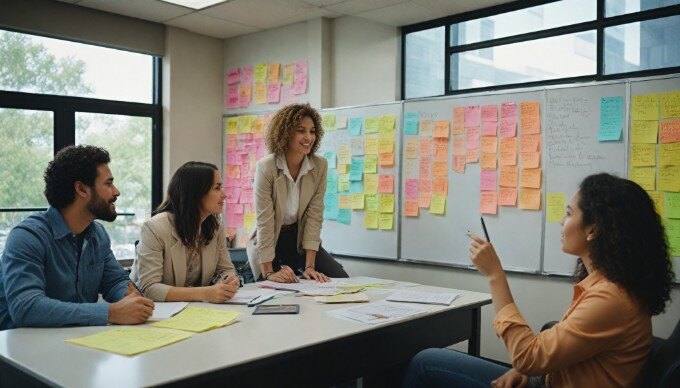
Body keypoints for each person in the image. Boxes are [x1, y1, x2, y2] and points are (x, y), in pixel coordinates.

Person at [403, 173, 674, 387]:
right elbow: (545, 356)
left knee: (427, 362)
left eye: (568, 213)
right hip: (547, 380)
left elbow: (529, 356)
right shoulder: (610, 287)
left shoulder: (610, 299)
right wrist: (526, 372)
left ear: (592, 229)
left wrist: (495, 276)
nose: (560, 221)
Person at [0, 145, 155, 330]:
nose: (116, 192)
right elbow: (26, 308)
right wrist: (111, 312)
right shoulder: (27, 237)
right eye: (108, 183)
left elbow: (114, 281)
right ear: (81, 189)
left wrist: (129, 298)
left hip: (77, 343)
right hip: (21, 350)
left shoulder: (98, 234)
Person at [247, 103, 348, 283]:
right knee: (274, 289)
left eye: (312, 131)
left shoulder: (319, 166)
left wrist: (310, 267)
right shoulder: (266, 167)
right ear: (286, 133)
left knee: (340, 278)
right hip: (271, 239)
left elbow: (314, 217)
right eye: (301, 131)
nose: (308, 137)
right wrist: (269, 273)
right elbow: (265, 222)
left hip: (298, 237)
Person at [132, 161, 239, 303]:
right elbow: (150, 289)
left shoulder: (215, 228)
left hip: (193, 311)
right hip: (152, 312)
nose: (224, 195)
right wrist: (205, 293)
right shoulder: (155, 228)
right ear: (196, 192)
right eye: (217, 188)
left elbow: (226, 269)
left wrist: (228, 282)